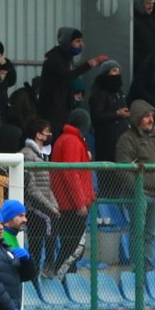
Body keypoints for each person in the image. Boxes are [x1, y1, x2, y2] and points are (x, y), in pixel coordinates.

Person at [116, 100, 155, 270]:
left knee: (150, 233)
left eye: (152, 116)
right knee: (139, 231)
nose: (150, 119)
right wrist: (138, 188)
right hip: (141, 194)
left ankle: (148, 267)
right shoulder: (127, 139)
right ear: (138, 118)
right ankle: (137, 267)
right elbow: (123, 168)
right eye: (146, 116)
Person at [50, 108, 94, 275]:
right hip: (72, 204)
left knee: (72, 244)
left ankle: (65, 277)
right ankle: (57, 275)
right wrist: (80, 203)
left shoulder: (66, 139)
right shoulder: (72, 141)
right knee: (75, 246)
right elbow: (71, 174)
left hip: (68, 202)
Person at [38, 27, 106, 134]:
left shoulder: (67, 58)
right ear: (67, 42)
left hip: (61, 108)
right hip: (53, 111)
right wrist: (88, 65)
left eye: (82, 41)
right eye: (77, 41)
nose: (81, 44)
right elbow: (67, 76)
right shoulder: (54, 59)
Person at [20, 119, 60, 276]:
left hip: (45, 202)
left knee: (53, 221)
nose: (50, 135)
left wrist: (53, 204)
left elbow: (47, 185)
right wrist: (49, 207)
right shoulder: (27, 154)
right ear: (38, 135)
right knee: (39, 237)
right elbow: (31, 187)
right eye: (47, 132)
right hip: (33, 205)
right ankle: (39, 269)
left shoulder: (43, 154)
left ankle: (42, 267)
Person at [88, 59, 129, 162]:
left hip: (122, 138)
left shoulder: (119, 91)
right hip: (107, 140)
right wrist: (117, 113)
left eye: (118, 71)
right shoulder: (99, 92)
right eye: (114, 71)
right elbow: (96, 116)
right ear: (106, 72)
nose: (117, 74)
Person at [132, 0, 155, 69]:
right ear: (139, 3)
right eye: (148, 3)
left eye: (152, 3)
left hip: (152, 64)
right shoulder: (132, 21)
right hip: (139, 66)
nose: (151, 7)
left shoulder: (151, 20)